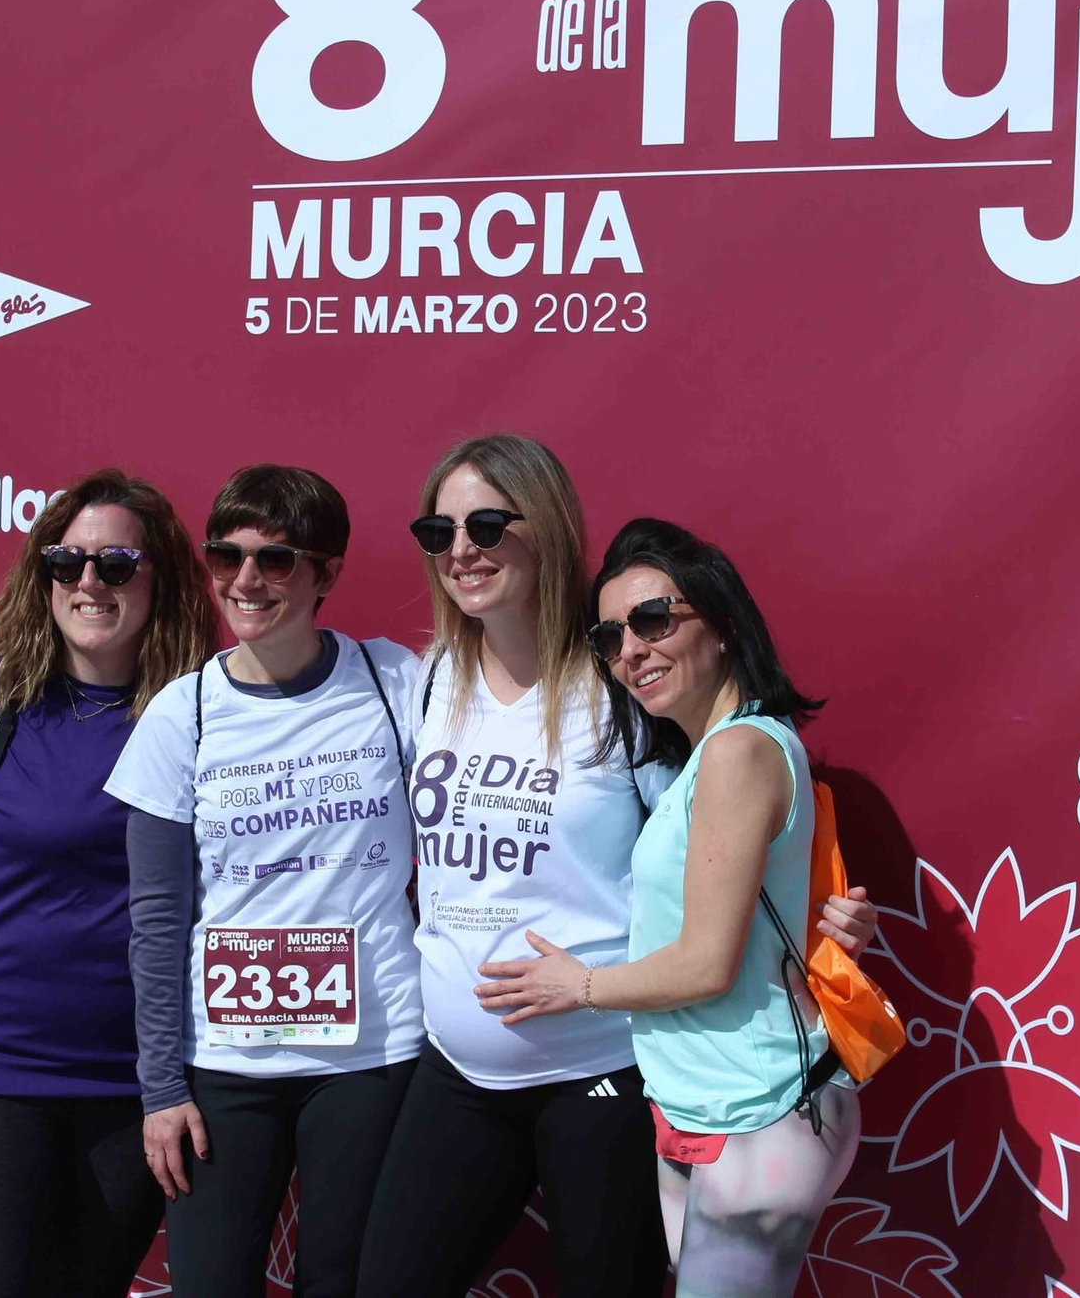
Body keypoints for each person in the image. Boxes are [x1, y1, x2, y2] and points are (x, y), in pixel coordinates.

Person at [357, 437, 877, 1297]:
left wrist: (827, 906)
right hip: (458, 1070)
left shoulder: (623, 691)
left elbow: (734, 821)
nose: (460, 547)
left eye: (486, 521)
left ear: (548, 527)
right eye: (436, 528)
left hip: (603, 1070)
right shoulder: (428, 680)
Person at [473, 517, 862, 1298]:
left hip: (761, 1109)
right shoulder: (710, 754)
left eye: (654, 619)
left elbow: (706, 963)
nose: (631, 650)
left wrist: (575, 986)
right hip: (709, 1105)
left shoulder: (738, 751)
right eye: (610, 636)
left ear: (720, 623)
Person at [0, 468, 216, 1298]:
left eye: (117, 563)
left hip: (135, 1083)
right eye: (67, 562)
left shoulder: (205, 715)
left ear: (159, 575)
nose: (89, 581)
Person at [107, 464, 425, 1298]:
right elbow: (156, 917)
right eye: (226, 554)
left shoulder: (397, 684)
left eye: (276, 559)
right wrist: (162, 1088)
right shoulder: (184, 712)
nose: (245, 580)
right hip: (224, 1068)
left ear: (327, 574)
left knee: (345, 1282)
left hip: (370, 1056)